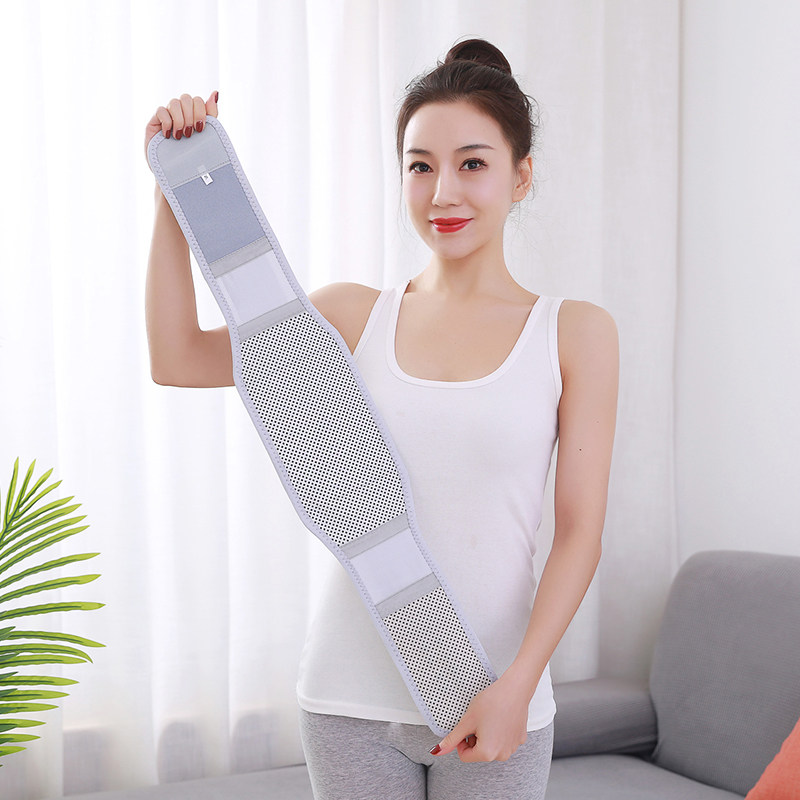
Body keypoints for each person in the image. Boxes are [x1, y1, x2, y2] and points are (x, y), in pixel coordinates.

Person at [144, 38, 618, 800]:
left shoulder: (575, 333)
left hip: (495, 694)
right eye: (420, 166)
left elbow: (579, 534)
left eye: (472, 163)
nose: (443, 193)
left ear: (521, 175)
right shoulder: (349, 317)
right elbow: (177, 357)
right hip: (347, 702)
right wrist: (173, 194)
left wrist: (520, 686)